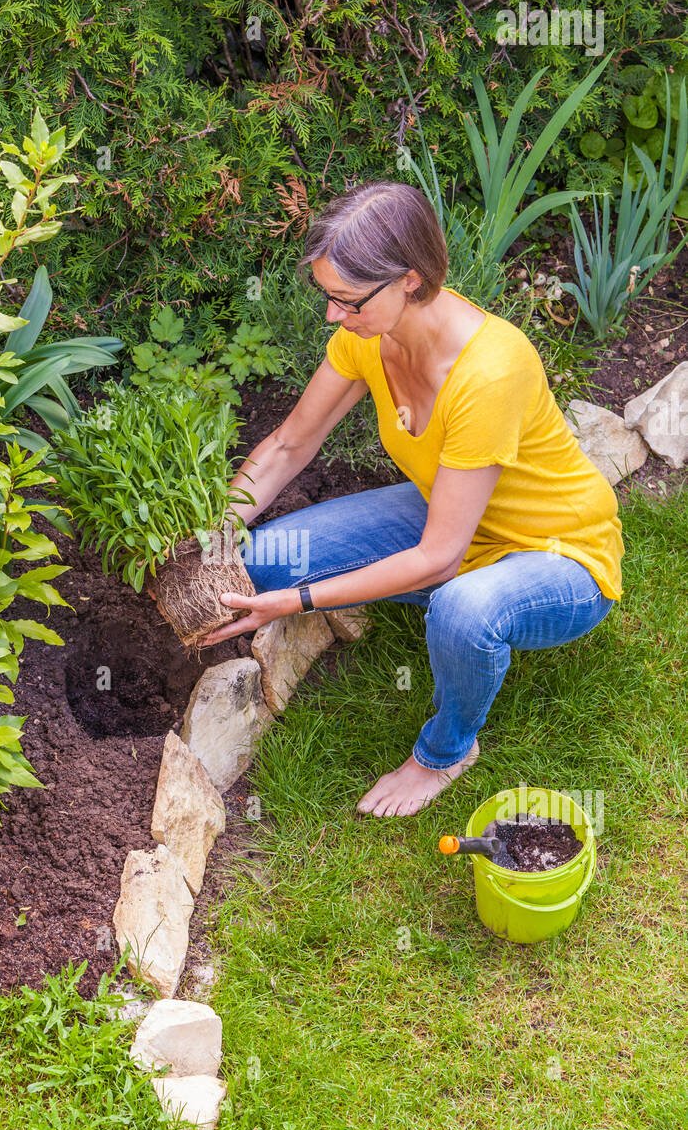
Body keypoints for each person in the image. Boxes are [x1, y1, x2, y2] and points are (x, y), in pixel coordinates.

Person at [199, 181, 623, 818]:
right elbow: (290, 444)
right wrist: (211, 531)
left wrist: (302, 602)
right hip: (450, 518)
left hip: (560, 555)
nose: (331, 318)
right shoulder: (368, 337)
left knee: (461, 607)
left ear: (409, 279)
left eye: (346, 301)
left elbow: (440, 558)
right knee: (261, 561)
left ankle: (446, 751)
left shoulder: (488, 370)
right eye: (328, 298)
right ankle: (423, 614)